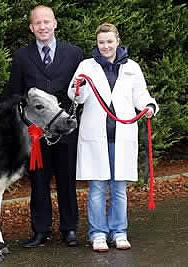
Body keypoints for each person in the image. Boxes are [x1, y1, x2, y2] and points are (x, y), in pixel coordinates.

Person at [67, 23, 158, 252]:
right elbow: (75, 95)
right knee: (97, 187)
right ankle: (98, 233)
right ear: (96, 44)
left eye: (109, 41)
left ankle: (119, 231)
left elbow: (141, 94)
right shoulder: (86, 66)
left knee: (119, 188)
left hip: (122, 136)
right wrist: (79, 87)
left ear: (117, 40)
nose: (106, 46)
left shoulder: (132, 67)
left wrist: (148, 106)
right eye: (101, 42)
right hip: (95, 137)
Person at [7, 5, 84, 248]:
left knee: (67, 180)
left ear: (55, 24)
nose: (43, 27)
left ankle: (69, 229)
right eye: (38, 23)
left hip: (65, 130)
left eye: (46, 22)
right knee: (39, 182)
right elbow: (15, 93)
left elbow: (81, 92)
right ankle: (40, 230)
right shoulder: (21, 57)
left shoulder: (74, 54)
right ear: (31, 28)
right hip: (37, 134)